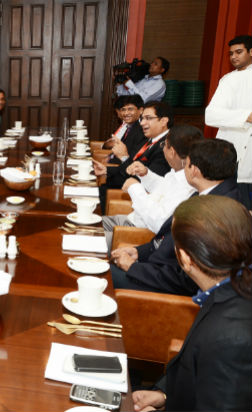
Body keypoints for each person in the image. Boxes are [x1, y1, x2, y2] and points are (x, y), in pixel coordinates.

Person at [132, 195, 252, 411]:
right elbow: (200, 367)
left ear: (185, 259)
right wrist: (165, 394)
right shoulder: (229, 288)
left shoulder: (232, 337)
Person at [110, 138, 240, 295]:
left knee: (101, 275)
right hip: (155, 268)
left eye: (186, 164)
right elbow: (166, 238)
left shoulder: (217, 213)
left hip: (162, 287)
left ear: (195, 171)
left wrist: (133, 267)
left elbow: (187, 280)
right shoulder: (209, 193)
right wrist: (139, 252)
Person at [102, 125, 202, 248]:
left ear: (172, 152)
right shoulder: (178, 172)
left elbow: (158, 222)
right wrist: (145, 174)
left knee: (83, 237)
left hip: (138, 234)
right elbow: (163, 189)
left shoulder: (189, 185)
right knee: (83, 225)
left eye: (164, 145)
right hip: (131, 220)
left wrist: (135, 188)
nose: (163, 149)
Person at [94, 101, 172, 209]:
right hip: (113, 186)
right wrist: (106, 170)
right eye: (142, 118)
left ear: (163, 121)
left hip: (124, 196)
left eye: (148, 118)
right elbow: (131, 164)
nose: (142, 123)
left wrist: (124, 157)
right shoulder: (149, 140)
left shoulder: (166, 147)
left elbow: (146, 182)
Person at [205, 34, 252, 209]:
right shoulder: (229, 79)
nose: (233, 57)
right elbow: (211, 115)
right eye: (231, 53)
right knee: (233, 209)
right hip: (233, 154)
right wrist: (246, 116)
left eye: (239, 52)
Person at [102, 95, 146, 165]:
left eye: (130, 109)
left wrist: (107, 168)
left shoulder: (142, 130)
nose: (126, 113)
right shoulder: (130, 126)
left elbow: (132, 159)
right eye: (123, 109)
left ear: (141, 110)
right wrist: (109, 157)